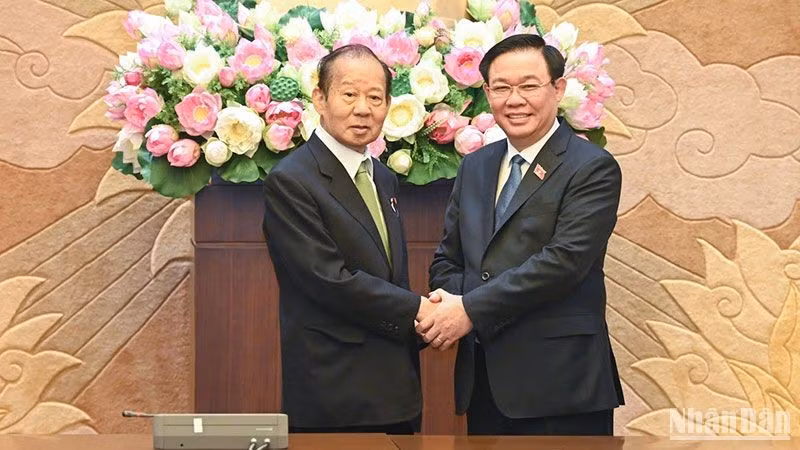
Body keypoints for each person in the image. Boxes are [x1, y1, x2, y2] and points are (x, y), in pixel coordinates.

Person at [420, 34, 625, 435]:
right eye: (501, 88)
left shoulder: (591, 167)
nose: (515, 99)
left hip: (562, 385)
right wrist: (455, 300)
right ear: (487, 93)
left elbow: (563, 263)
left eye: (529, 86)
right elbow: (448, 259)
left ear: (558, 89)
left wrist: (468, 308)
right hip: (486, 381)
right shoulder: (475, 166)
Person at [262, 44, 436, 433]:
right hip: (334, 394)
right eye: (350, 94)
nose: (363, 108)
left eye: (375, 97)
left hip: (396, 390)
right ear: (320, 98)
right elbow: (328, 279)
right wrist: (420, 311)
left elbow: (388, 274)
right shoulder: (293, 180)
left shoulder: (382, 176)